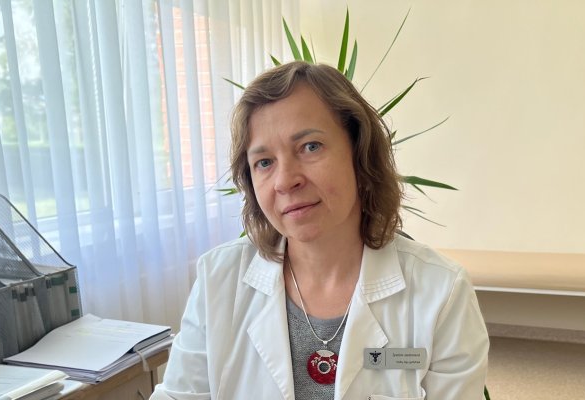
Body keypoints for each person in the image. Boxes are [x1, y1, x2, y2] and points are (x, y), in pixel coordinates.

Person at [151, 61, 489, 400]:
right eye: (264, 162)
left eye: (310, 146)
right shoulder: (218, 281)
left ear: (359, 153)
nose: (285, 181)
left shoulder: (441, 292)